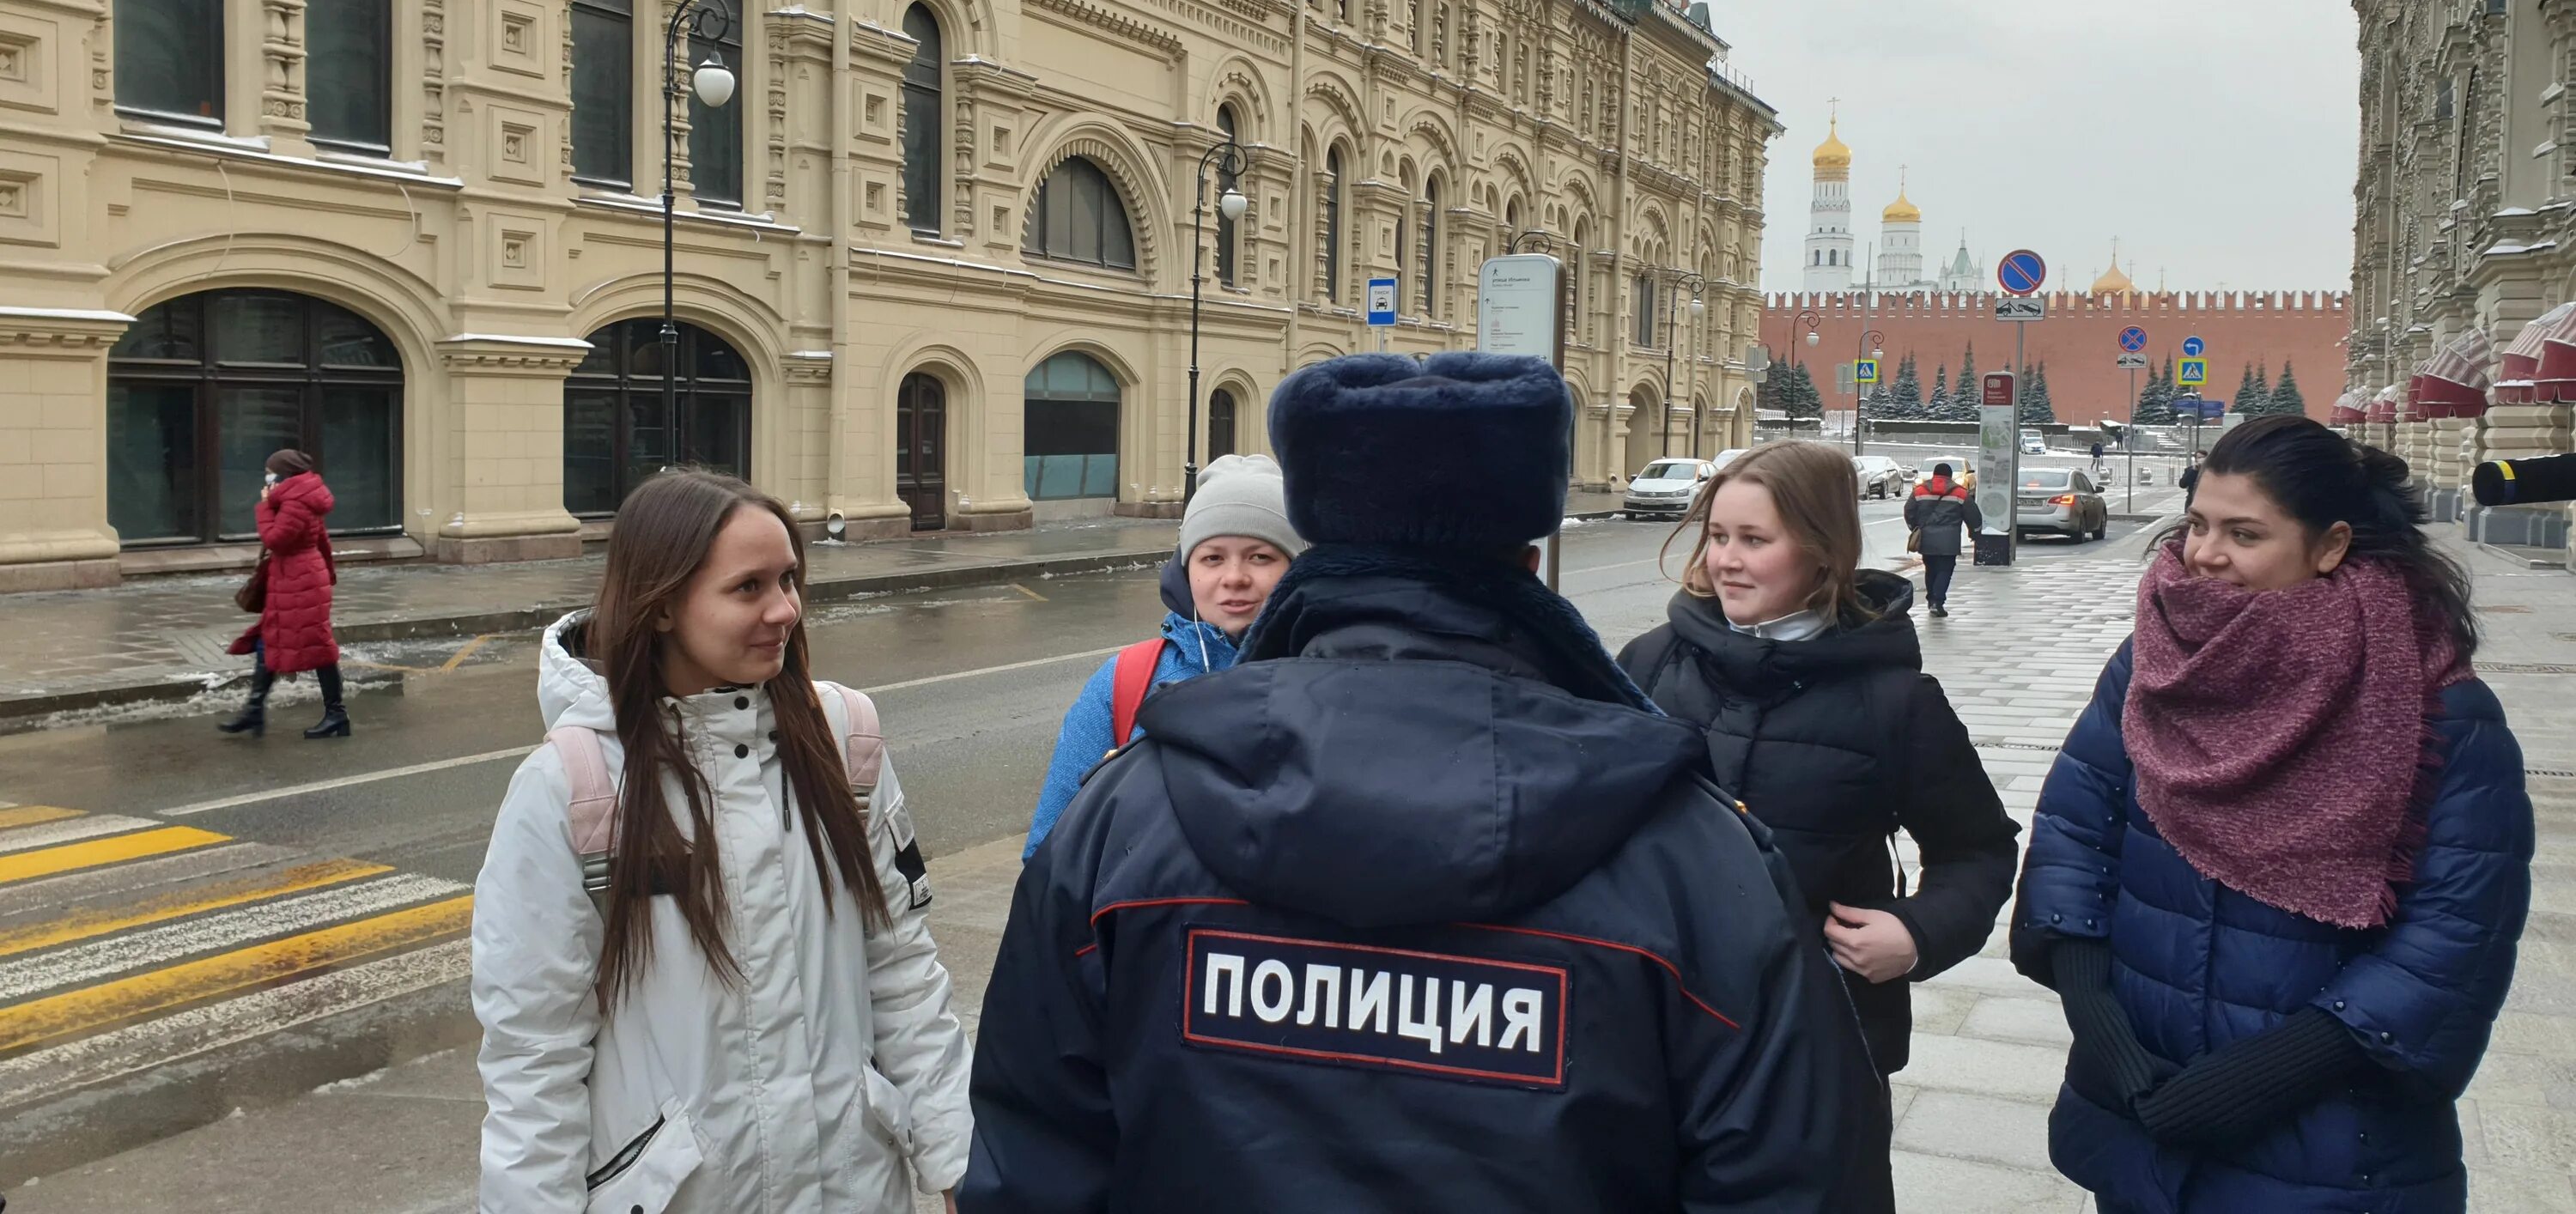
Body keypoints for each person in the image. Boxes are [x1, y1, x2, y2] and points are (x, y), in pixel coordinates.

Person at [963, 354, 1888, 1214]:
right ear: (1528, 566)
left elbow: (1031, 1154)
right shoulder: (1691, 851)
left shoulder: (1127, 815)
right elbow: (1797, 1175)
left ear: (1316, 553)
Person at [2012, 416, 2532, 1214]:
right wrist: (2101, 1021)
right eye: (2197, 524)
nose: (2204, 554)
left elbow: (2457, 936)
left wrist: (2267, 1076)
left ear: (2329, 545)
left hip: (2330, 1139)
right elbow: (2077, 830)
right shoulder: (2153, 662)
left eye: (2244, 532)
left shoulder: (2437, 706)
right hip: (2142, 1102)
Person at [473, 470, 973, 1214]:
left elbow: (899, 967)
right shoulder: (572, 786)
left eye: (789, 580)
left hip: (856, 1189)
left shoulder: (844, 739)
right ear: (665, 602)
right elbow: (535, 1058)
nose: (785, 610)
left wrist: (960, 1162)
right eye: (748, 588)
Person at [1617, 440, 2019, 1177]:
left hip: (1826, 1037)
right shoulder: (1650, 665)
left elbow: (1980, 850)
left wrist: (1918, 931)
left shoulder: (1895, 704)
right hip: (1654, 1030)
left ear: (1822, 553)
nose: (1724, 560)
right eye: (1717, 536)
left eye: (1754, 540)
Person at [1022, 453, 1302, 857]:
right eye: (1213, 558)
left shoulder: (1328, 678)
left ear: (1294, 568)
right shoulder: (1126, 682)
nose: (1235, 577)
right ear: (1186, 571)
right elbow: (1050, 852)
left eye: (1260, 557)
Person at [220, 449, 348, 739]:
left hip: (300, 580)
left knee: (317, 645)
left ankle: (336, 714)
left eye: (270, 472)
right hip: (295, 579)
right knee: (270, 639)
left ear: (283, 475)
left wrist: (265, 507)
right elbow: (321, 539)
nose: (266, 477)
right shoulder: (298, 497)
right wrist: (328, 574)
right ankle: (254, 710)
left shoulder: (295, 502)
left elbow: (275, 538)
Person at [1904, 459, 1984, 617]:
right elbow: (1973, 515)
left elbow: (1909, 510)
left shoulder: (1920, 491)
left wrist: (1915, 527)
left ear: (1934, 474)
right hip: (1950, 540)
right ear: (1950, 476)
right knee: (1945, 569)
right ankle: (1937, 601)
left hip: (1926, 538)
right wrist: (1975, 532)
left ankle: (1931, 599)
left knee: (1930, 568)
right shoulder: (1960, 493)